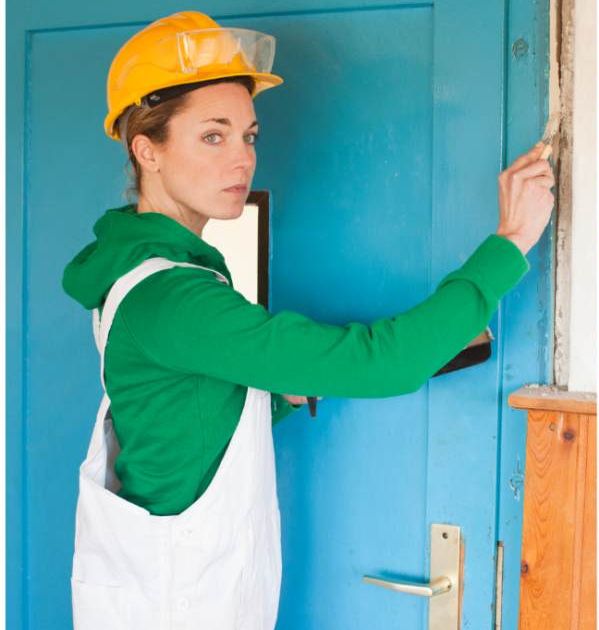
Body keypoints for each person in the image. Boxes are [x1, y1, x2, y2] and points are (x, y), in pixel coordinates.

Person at [63, 12, 555, 629]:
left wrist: (283, 393)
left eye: (249, 135)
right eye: (213, 136)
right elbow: (384, 364)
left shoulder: (141, 275)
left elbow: (181, 413)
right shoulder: (171, 294)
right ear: (147, 149)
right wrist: (509, 241)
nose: (241, 158)